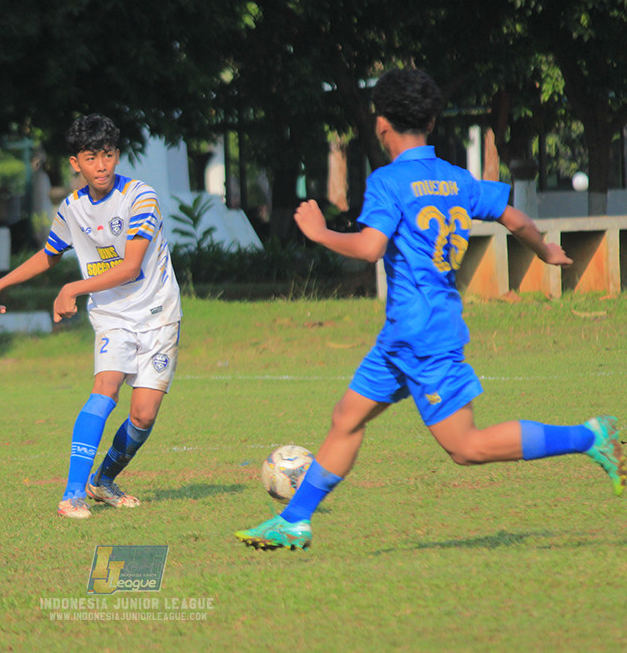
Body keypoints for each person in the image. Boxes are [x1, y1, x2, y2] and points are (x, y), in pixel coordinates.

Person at [236, 68, 625, 551]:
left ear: (381, 124)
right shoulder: (455, 178)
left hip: (423, 337)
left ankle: (590, 437)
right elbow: (514, 216)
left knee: (467, 448)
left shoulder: (388, 182)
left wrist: (319, 233)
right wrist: (544, 250)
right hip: (404, 335)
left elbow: (371, 247)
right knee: (346, 417)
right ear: (433, 120)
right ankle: (294, 521)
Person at [0, 114, 182, 519]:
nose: (101, 165)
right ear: (76, 163)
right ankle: (72, 494)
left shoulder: (141, 197)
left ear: (118, 155)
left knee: (142, 415)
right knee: (104, 390)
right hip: (111, 315)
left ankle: (102, 481)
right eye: (91, 158)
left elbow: (131, 267)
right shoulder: (72, 208)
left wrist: (72, 288)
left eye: (108, 155)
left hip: (158, 314)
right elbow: (50, 254)